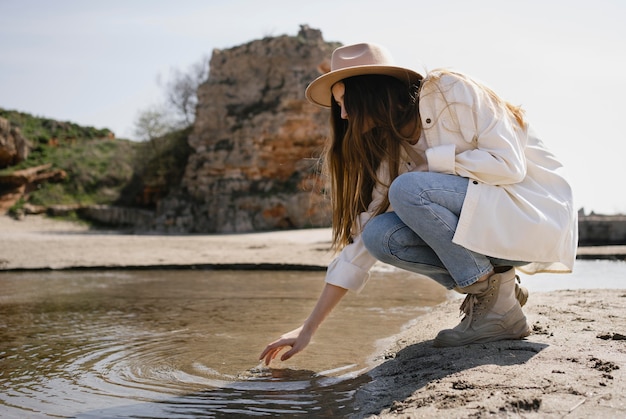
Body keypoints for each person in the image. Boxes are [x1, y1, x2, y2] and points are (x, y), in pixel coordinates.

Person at [260, 43, 577, 365]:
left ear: (370, 91)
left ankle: (494, 303)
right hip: (492, 230)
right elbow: (360, 246)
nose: (343, 115)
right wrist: (308, 328)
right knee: (379, 234)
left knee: (408, 189)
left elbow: (508, 165)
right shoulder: (391, 148)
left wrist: (432, 163)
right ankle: (498, 293)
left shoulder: (450, 91)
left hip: (530, 215)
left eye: (346, 103)